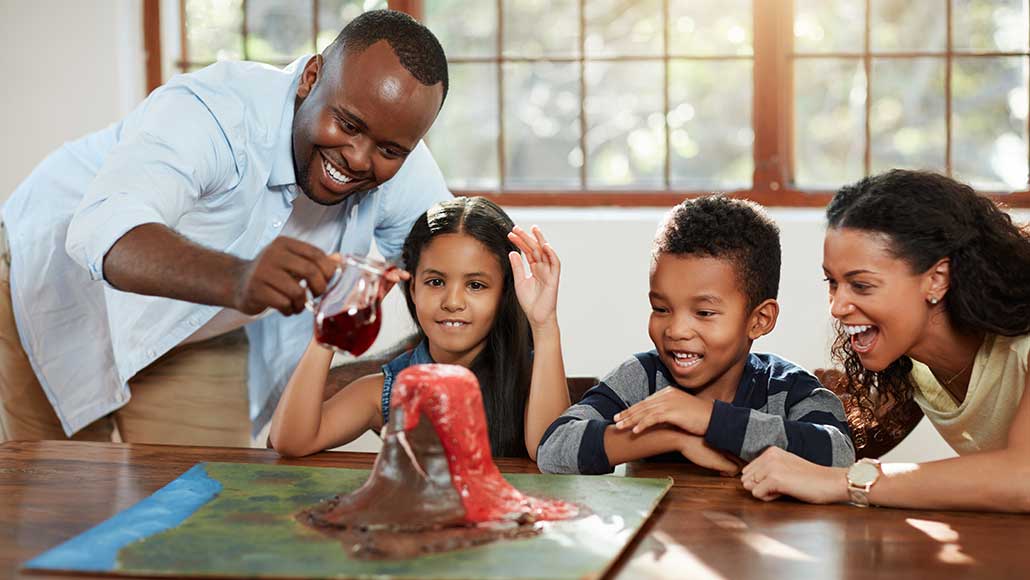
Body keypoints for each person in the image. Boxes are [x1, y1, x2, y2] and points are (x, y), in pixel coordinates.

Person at [0, 10, 451, 446]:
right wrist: (238, 278)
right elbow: (103, 227)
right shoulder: (216, 113)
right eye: (347, 124)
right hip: (57, 287)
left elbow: (463, 274)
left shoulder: (399, 159)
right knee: (64, 498)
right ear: (311, 78)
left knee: (204, 498)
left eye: (389, 150)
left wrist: (370, 379)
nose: (358, 157)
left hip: (199, 324)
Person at [740, 170, 1030, 512]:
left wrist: (846, 483)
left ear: (936, 279)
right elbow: (831, 449)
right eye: (832, 282)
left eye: (861, 285)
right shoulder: (911, 364)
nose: (837, 307)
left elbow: (1022, 478)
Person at [536, 195, 855, 475]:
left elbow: (840, 454)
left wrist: (711, 420)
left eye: (703, 313)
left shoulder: (788, 388)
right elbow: (552, 449)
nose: (675, 330)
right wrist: (672, 435)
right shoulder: (643, 378)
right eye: (661, 308)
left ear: (759, 320)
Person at [269, 196, 570, 459]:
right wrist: (330, 325)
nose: (452, 301)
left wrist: (544, 325)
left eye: (476, 285)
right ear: (412, 289)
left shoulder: (533, 380)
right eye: (435, 282)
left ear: (505, 293)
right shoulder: (388, 389)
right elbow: (290, 441)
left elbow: (554, 452)